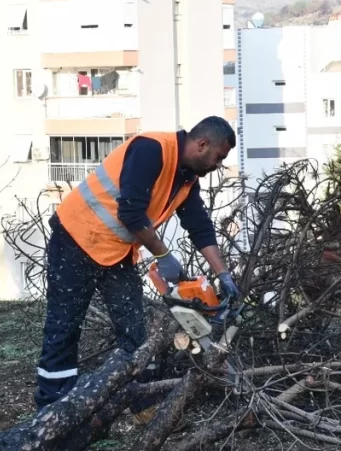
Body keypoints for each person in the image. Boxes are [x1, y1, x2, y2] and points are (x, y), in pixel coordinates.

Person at [33, 116, 240, 422]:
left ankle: (142, 405)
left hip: (116, 251)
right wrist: (164, 255)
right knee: (64, 327)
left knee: (135, 331)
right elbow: (130, 211)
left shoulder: (186, 179)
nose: (218, 165)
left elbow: (199, 227)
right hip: (77, 239)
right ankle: (51, 412)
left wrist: (223, 275)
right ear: (202, 144)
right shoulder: (151, 149)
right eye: (219, 157)